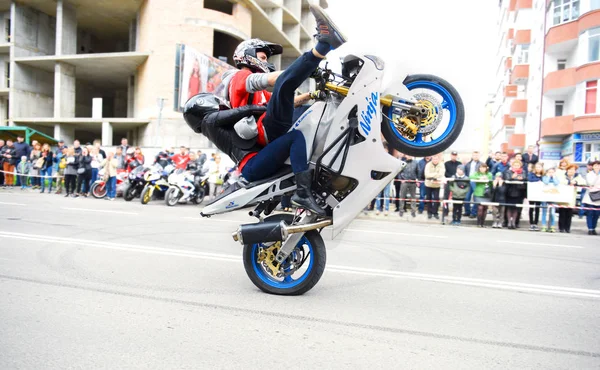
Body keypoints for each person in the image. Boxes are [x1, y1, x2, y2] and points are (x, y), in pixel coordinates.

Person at [183, 4, 345, 216]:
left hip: (267, 131)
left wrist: (313, 96)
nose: (266, 61)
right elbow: (272, 80)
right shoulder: (239, 77)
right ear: (247, 56)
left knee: (308, 115)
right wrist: (307, 65)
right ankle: (324, 44)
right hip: (264, 131)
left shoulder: (259, 97)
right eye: (262, 57)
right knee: (285, 88)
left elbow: (286, 102)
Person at [559, 164, 585, 233]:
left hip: (571, 197)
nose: (571, 171)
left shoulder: (577, 176)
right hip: (563, 196)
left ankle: (567, 228)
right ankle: (561, 228)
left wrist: (576, 182)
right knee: (562, 213)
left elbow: (583, 182)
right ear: (567, 169)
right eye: (570, 169)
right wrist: (569, 182)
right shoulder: (563, 175)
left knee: (569, 213)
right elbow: (560, 181)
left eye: (573, 169)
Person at [504, 159, 527, 229]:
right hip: (510, 191)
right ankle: (508, 222)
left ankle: (514, 222)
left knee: (516, 208)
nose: (516, 167)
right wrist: (512, 177)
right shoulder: (508, 171)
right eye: (515, 165)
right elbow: (506, 179)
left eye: (518, 165)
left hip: (519, 191)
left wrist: (522, 179)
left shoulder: (523, 172)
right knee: (509, 207)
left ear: (520, 166)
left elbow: (526, 179)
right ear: (512, 165)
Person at [470, 162, 493, 227]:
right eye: (481, 167)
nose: (482, 169)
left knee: (485, 208)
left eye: (484, 167)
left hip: (487, 193)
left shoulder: (489, 174)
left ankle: (483, 223)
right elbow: (471, 176)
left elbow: (491, 181)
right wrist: (479, 178)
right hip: (478, 193)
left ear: (486, 168)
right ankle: (478, 223)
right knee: (480, 207)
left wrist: (487, 179)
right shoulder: (477, 173)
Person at [424, 154, 444, 220]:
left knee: (436, 199)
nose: (435, 160)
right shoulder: (428, 165)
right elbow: (426, 175)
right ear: (432, 159)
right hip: (428, 184)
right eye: (434, 159)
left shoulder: (441, 165)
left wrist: (432, 175)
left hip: (437, 185)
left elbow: (441, 174)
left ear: (438, 159)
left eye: (436, 159)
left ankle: (435, 213)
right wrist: (436, 174)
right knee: (428, 199)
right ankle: (429, 213)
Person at [583, 160, 600, 235]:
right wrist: (596, 175)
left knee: (596, 214)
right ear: (592, 167)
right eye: (595, 165)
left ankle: (594, 228)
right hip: (590, 196)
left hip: (598, 196)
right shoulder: (589, 174)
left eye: (598, 165)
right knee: (590, 213)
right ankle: (590, 228)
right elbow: (590, 183)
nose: (597, 167)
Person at [540, 168, 560, 233]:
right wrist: (548, 176)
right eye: (549, 172)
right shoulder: (544, 177)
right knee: (544, 212)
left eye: (552, 172)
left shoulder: (556, 178)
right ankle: (544, 226)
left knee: (552, 213)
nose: (551, 173)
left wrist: (553, 177)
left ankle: (552, 226)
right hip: (545, 196)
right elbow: (545, 182)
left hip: (553, 197)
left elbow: (557, 183)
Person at [463, 151, 482, 218]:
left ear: (479, 156)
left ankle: (474, 213)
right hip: (468, 181)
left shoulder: (482, 164)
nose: (475, 156)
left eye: (477, 155)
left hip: (477, 182)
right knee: (466, 197)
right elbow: (465, 173)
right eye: (474, 155)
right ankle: (467, 211)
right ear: (472, 156)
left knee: (476, 197)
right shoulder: (468, 164)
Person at [527, 162, 544, 231]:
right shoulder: (531, 174)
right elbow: (530, 179)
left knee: (537, 208)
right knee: (531, 208)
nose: (538, 168)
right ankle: (531, 223)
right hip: (532, 193)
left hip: (539, 194)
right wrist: (538, 180)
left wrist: (540, 180)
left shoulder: (543, 175)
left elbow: (545, 181)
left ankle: (535, 223)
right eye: (536, 167)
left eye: (539, 167)